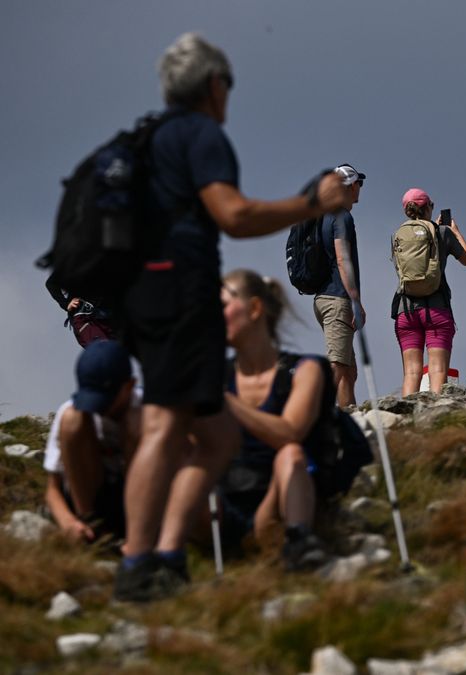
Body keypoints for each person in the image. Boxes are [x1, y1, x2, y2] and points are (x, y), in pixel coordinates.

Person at [114, 33, 352, 602]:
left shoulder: (147, 139)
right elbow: (234, 215)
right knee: (170, 427)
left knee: (214, 433)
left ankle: (167, 558)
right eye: (229, 86)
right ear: (214, 85)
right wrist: (314, 204)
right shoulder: (200, 134)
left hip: (145, 293)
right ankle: (137, 563)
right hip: (182, 294)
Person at [220, 269, 335, 570]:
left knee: (291, 453)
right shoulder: (218, 376)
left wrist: (224, 401)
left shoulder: (304, 370)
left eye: (220, 306)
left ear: (255, 308)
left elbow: (290, 433)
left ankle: (298, 539)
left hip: (276, 499)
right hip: (223, 502)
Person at [44, 341, 141, 544]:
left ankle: (139, 528)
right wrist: (67, 521)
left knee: (137, 420)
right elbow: (52, 488)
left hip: (142, 500)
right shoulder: (72, 411)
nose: (98, 409)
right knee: (72, 420)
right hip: (94, 495)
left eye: (106, 400)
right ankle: (89, 523)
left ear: (129, 386)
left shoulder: (147, 407)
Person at [391, 188, 466, 396]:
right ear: (428, 207)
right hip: (437, 309)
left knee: (411, 373)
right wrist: (454, 231)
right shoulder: (441, 232)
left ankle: (406, 415)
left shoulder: (397, 236)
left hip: (406, 310)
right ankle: (435, 416)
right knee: (437, 369)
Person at [313, 163, 366, 408]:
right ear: (352, 185)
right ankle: (313, 413)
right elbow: (343, 258)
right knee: (337, 365)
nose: (360, 189)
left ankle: (348, 418)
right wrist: (355, 300)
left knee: (348, 370)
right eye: (359, 184)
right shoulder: (342, 217)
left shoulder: (323, 216)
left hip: (323, 297)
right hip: (338, 299)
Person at [46, 277, 120, 347]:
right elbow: (51, 283)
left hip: (107, 315)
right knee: (103, 349)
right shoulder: (74, 265)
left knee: (117, 352)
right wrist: (65, 304)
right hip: (83, 316)